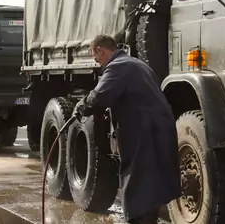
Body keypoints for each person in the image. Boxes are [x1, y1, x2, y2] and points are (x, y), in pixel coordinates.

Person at [77, 34, 181, 224]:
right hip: (160, 127)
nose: (98, 63)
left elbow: (100, 96)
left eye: (96, 58)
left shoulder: (117, 67)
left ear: (101, 50)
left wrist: (81, 107)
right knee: (153, 181)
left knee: (137, 181)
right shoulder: (136, 64)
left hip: (143, 130)